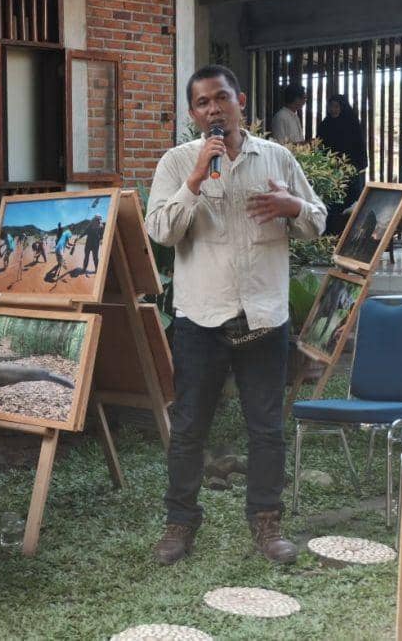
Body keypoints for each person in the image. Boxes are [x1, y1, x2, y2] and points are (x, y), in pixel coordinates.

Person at [145, 65, 326, 566]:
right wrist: (197, 179)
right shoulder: (178, 162)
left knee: (265, 428)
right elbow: (160, 231)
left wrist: (292, 205)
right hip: (200, 320)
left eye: (220, 98)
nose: (212, 109)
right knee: (188, 430)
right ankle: (179, 525)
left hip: (264, 317)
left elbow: (318, 220)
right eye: (202, 103)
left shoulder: (278, 157)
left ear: (239, 100)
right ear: (192, 114)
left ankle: (267, 525)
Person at [317, 94, 368, 234]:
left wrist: (356, 168)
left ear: (342, 107)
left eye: (336, 106)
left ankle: (351, 237)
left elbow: (360, 148)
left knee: (352, 205)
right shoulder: (325, 125)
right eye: (330, 106)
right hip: (331, 173)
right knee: (332, 205)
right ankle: (331, 236)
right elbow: (320, 148)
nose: (332, 109)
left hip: (351, 172)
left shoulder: (352, 123)